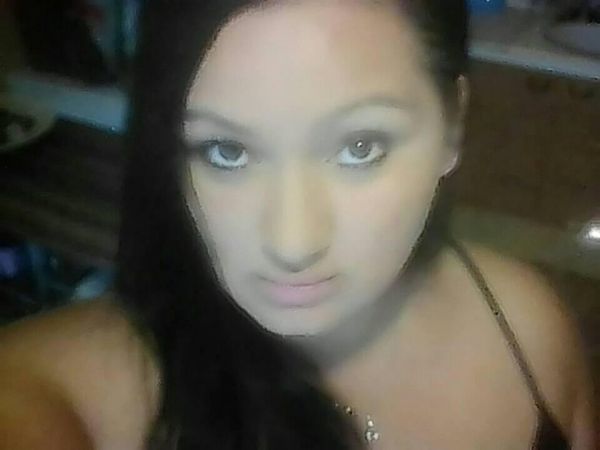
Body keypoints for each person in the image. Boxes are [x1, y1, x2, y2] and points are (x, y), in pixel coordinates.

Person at [0, 1, 596, 449]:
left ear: (453, 127)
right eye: (227, 152)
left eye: (359, 147)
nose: (292, 244)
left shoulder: (530, 330)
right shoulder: (60, 395)